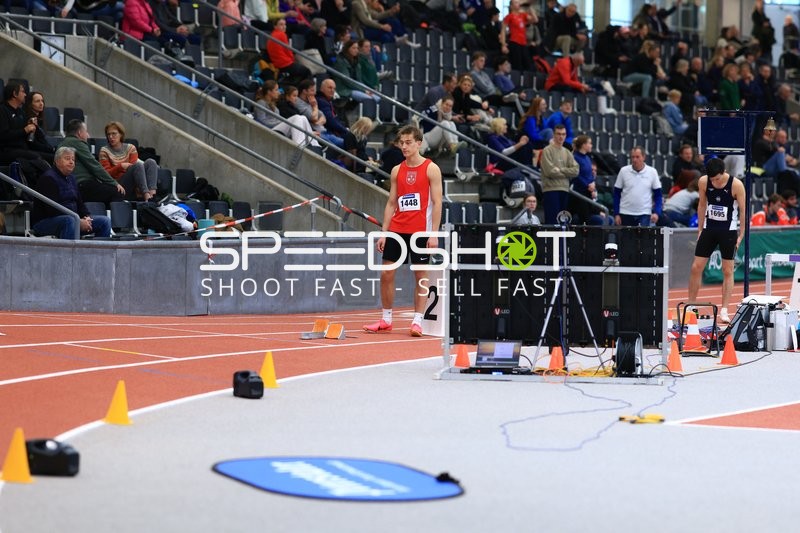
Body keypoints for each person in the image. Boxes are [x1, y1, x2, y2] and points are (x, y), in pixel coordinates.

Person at [363, 124, 443, 337]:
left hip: (420, 231)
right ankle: (386, 319)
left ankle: (417, 321)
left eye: (409, 143)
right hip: (397, 229)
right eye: (402, 143)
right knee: (386, 274)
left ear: (419, 143)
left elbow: (437, 202)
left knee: (420, 276)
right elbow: (391, 203)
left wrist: (434, 234)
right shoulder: (397, 170)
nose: (405, 147)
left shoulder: (431, 168)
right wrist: (384, 232)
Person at [688, 158, 745, 322]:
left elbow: (742, 211)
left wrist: (740, 235)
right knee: (696, 267)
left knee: (727, 270)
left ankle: (725, 309)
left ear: (724, 172)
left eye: (718, 179)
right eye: (712, 179)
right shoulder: (704, 182)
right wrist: (699, 229)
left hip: (728, 231)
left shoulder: (736, 185)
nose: (715, 182)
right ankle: (691, 306)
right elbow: (702, 205)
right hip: (709, 229)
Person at [31, 146, 112, 240]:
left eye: (73, 159)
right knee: (69, 221)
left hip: (72, 219)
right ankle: (70, 254)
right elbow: (53, 210)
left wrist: (87, 218)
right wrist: (78, 220)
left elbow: (80, 203)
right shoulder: (48, 178)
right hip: (45, 222)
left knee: (105, 221)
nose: (71, 162)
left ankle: (99, 254)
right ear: (57, 161)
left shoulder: (72, 178)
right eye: (67, 158)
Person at [59, 119, 125, 206]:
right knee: (117, 192)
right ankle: (113, 219)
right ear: (79, 133)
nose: (88, 135)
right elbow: (94, 166)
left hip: (74, 186)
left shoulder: (63, 143)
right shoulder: (77, 143)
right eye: (86, 131)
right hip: (82, 185)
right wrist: (114, 183)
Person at [0, 82, 53, 177]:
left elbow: (31, 139)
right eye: (23, 92)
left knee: (53, 157)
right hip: (6, 150)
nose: (25, 94)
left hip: (23, 149)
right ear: (15, 94)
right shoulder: (2, 110)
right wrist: (24, 130)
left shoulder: (20, 112)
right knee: (36, 157)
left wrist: (33, 127)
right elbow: (3, 135)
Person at [98, 121, 159, 202]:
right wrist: (120, 166)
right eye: (108, 134)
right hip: (118, 185)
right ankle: (146, 197)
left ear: (121, 134)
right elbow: (106, 175)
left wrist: (126, 168)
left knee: (151, 162)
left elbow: (136, 171)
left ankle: (152, 195)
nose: (111, 137)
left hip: (135, 183)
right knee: (137, 165)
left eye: (114, 134)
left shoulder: (131, 148)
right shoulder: (104, 151)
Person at [255, 81, 320, 148]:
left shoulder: (273, 104)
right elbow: (262, 121)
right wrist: (282, 122)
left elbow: (278, 118)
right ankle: (299, 145)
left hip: (278, 128)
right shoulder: (261, 103)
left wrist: (283, 122)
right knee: (297, 117)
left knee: (302, 117)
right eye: (276, 90)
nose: (279, 92)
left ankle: (315, 145)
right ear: (269, 91)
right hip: (270, 130)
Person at [613, 146, 662, 226]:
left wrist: (657, 212)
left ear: (644, 157)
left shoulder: (652, 172)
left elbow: (658, 195)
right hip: (625, 213)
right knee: (626, 238)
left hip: (644, 213)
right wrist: (616, 213)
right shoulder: (624, 171)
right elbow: (616, 193)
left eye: (637, 157)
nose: (634, 160)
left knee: (643, 238)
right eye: (633, 157)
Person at [540, 124, 578, 225]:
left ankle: (561, 241)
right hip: (551, 189)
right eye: (558, 134)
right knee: (552, 222)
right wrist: (566, 173)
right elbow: (549, 172)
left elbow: (576, 170)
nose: (561, 137)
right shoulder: (547, 150)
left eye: (563, 134)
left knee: (562, 223)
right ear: (554, 135)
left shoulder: (567, 152)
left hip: (564, 189)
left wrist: (560, 170)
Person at [295, 79, 345, 148]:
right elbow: (314, 118)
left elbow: (323, 117)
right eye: (312, 90)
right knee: (342, 145)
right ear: (304, 91)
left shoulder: (310, 102)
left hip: (324, 132)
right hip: (317, 134)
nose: (315, 93)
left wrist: (317, 122)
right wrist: (315, 107)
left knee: (348, 142)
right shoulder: (299, 103)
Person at [266, 19, 312, 86]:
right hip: (285, 63)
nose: (284, 26)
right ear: (275, 26)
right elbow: (288, 51)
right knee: (307, 71)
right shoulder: (282, 34)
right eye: (281, 24)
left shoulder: (271, 36)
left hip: (277, 63)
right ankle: (307, 90)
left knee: (298, 73)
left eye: (285, 24)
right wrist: (293, 60)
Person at [333, 39, 380, 104]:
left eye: (357, 48)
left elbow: (359, 80)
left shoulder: (356, 61)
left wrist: (367, 90)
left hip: (355, 86)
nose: (356, 50)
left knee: (377, 97)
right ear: (347, 49)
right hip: (344, 89)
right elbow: (347, 81)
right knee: (370, 99)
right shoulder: (340, 62)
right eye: (354, 48)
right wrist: (364, 90)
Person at [499, 0, 533, 72]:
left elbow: (535, 20)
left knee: (528, 64)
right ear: (511, 6)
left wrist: (530, 8)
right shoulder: (509, 16)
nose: (518, 4)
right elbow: (503, 30)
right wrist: (503, 44)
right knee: (517, 65)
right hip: (514, 42)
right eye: (516, 2)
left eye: (518, 2)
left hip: (523, 43)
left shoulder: (523, 15)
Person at [23, 90, 55, 161]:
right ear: (30, 104)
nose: (41, 104)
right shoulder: (28, 120)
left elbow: (42, 140)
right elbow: (32, 143)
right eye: (37, 101)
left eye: (42, 101)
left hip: (41, 150)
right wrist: (51, 149)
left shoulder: (40, 120)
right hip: (32, 152)